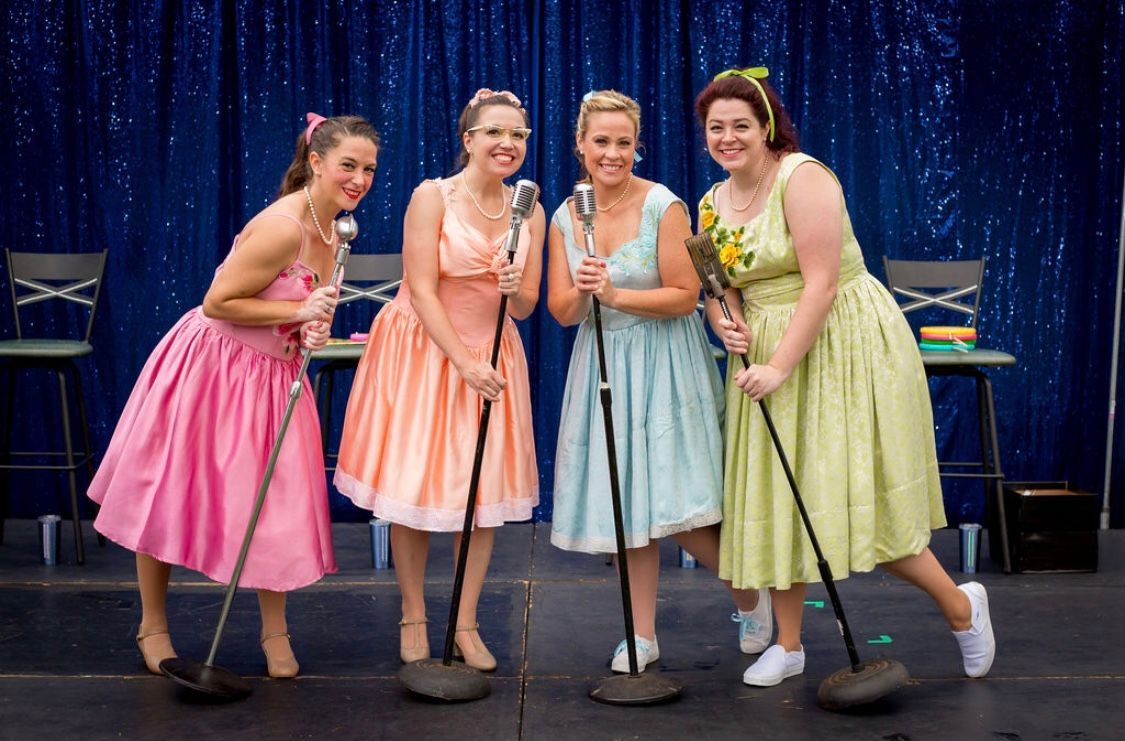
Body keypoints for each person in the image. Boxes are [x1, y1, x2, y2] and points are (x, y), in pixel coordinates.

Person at [695, 67, 996, 687]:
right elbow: (719, 292)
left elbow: (824, 285)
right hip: (765, 356)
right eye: (716, 127)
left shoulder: (803, 178)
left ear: (767, 127)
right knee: (778, 497)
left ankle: (962, 609)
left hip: (840, 347)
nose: (728, 137)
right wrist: (725, 322)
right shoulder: (711, 203)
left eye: (741, 126)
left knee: (864, 503)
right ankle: (789, 644)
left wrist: (780, 364)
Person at [88, 114, 380, 679]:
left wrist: (309, 328)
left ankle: (275, 633)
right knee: (166, 492)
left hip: (272, 375)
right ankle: (153, 626)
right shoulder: (281, 227)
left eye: (368, 168)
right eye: (349, 165)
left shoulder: (338, 227)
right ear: (316, 162)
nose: (360, 179)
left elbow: (297, 309)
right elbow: (219, 301)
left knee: (276, 502)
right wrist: (298, 310)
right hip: (213, 368)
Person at [547, 90, 770, 674]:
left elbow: (684, 296)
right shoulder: (565, 214)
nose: (612, 153)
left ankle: (752, 598)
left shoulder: (663, 206)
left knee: (682, 506)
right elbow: (562, 312)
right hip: (602, 362)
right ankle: (640, 635)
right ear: (581, 145)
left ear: (637, 146)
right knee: (628, 507)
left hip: (664, 361)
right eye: (601, 141)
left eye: (624, 142)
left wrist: (616, 293)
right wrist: (582, 288)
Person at [334, 89, 544, 672]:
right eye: (495, 132)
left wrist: (513, 286)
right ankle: (413, 615)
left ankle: (465, 622)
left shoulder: (531, 207)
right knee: (416, 492)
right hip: (427, 353)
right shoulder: (433, 197)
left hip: (493, 355)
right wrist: (463, 362)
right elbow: (421, 289)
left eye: (519, 135)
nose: (508, 144)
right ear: (469, 139)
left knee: (479, 500)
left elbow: (527, 307)